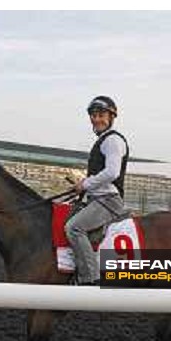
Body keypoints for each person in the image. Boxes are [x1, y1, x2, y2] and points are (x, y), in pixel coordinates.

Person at [65, 95, 130, 285]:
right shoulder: (103, 140)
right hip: (97, 198)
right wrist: (82, 186)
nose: (96, 119)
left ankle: (89, 279)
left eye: (101, 115)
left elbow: (112, 172)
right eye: (93, 115)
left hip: (109, 200)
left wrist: (85, 184)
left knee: (74, 228)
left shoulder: (112, 140)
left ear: (111, 117)